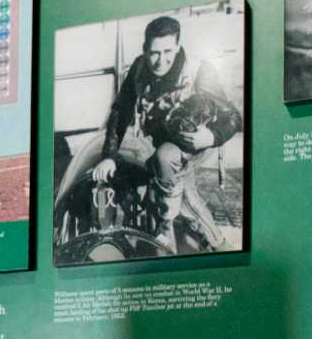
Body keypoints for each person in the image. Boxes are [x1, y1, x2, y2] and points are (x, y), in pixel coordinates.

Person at [54, 14, 242, 255]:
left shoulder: (199, 70)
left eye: (167, 52)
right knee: (161, 168)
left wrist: (212, 136)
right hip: (159, 138)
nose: (160, 61)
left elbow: (233, 117)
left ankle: (180, 232)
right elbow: (120, 112)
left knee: (169, 169)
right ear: (145, 49)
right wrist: (109, 155)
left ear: (177, 46)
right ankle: (213, 241)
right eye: (154, 53)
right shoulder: (139, 68)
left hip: (194, 142)